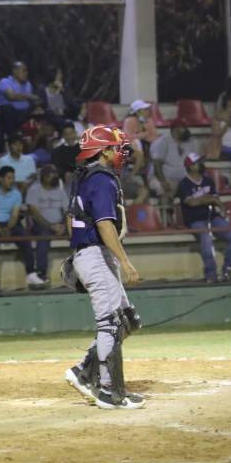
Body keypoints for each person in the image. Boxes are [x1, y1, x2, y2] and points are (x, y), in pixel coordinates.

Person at [62, 124, 146, 410]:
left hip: (93, 254)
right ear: (103, 150)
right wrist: (124, 260)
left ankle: (83, 371)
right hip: (95, 254)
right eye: (116, 147)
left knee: (127, 320)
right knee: (110, 323)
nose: (121, 152)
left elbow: (71, 220)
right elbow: (104, 223)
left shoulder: (86, 177)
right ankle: (109, 392)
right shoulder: (101, 179)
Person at [176, 153, 231, 282]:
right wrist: (208, 199)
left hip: (213, 217)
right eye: (198, 162)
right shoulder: (184, 183)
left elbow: (216, 199)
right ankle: (211, 274)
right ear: (190, 166)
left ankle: (227, 270)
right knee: (206, 239)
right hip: (195, 220)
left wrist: (221, 207)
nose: (201, 164)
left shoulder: (208, 180)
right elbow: (191, 202)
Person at [0, 166, 44, 290]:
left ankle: (31, 273)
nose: (12, 181)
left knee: (26, 239)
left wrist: (8, 228)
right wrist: (0, 230)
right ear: (0, 179)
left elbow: (15, 215)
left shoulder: (16, 194)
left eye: (13, 178)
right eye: (9, 178)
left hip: (9, 223)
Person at [26, 164, 69, 282]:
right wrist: (51, 226)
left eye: (56, 173)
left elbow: (67, 211)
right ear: (44, 177)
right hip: (40, 225)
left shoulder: (60, 191)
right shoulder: (34, 190)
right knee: (43, 237)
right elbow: (35, 214)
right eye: (52, 174)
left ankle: (86, 270)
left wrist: (64, 225)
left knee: (78, 233)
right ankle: (41, 273)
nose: (55, 176)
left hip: (59, 224)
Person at [149, 118, 196, 200]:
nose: (187, 130)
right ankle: (166, 212)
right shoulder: (163, 141)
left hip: (183, 179)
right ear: (176, 130)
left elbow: (193, 162)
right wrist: (163, 181)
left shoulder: (189, 141)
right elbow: (157, 164)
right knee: (164, 190)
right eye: (184, 128)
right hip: (163, 178)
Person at [0, 61, 39, 134]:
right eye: (24, 71)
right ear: (15, 71)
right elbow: (11, 96)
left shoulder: (28, 84)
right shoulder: (5, 81)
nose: (26, 73)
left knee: (39, 110)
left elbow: (34, 99)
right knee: (7, 109)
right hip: (9, 114)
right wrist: (28, 96)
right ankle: (11, 135)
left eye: (27, 71)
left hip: (25, 114)